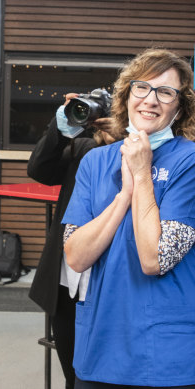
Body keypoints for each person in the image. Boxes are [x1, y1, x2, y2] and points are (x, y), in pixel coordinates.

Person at [63, 48, 195, 388]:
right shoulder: (95, 162)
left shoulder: (189, 162)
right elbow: (76, 257)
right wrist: (123, 196)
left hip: (166, 356)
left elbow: (155, 258)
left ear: (179, 106)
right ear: (127, 95)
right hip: (101, 346)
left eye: (165, 92)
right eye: (142, 87)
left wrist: (142, 174)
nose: (150, 100)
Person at [27, 94, 116, 389]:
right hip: (69, 285)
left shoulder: (149, 152)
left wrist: (127, 136)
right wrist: (63, 125)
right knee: (74, 378)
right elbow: (40, 169)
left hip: (114, 287)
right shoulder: (84, 149)